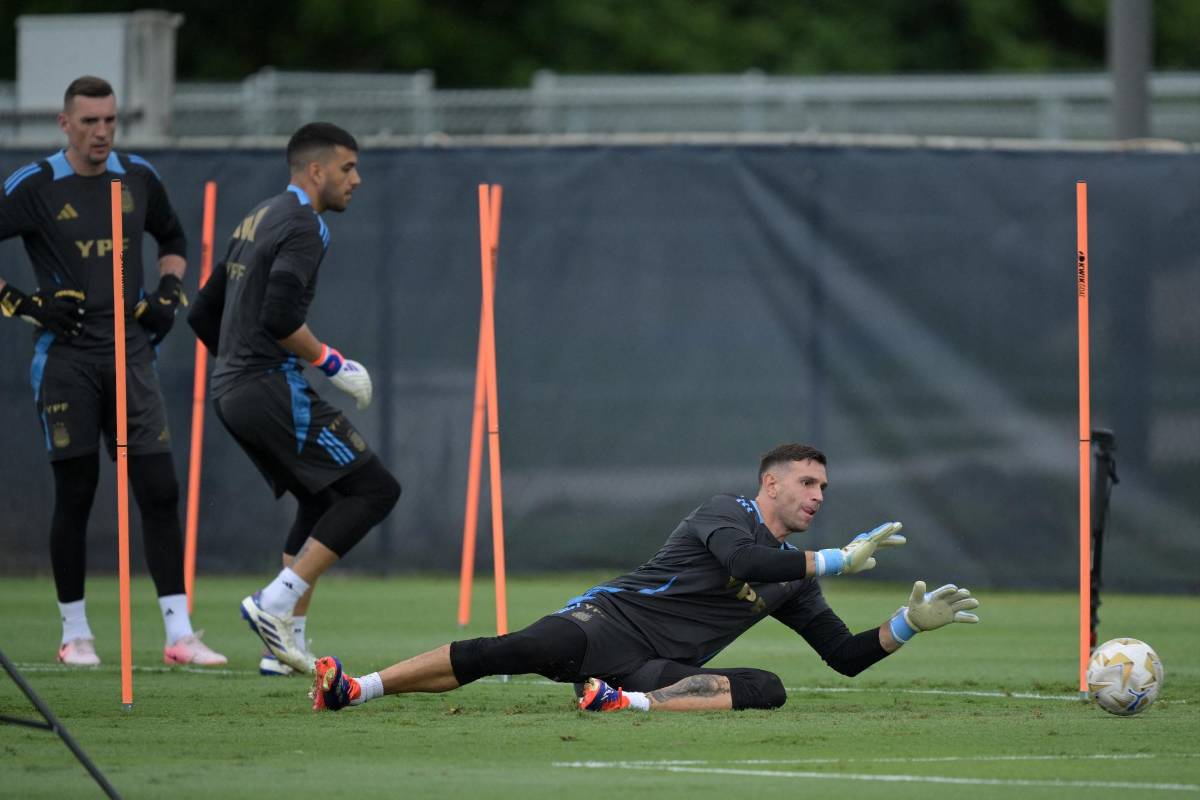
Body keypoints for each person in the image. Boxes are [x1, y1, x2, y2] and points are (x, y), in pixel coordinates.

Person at [310, 443, 980, 713]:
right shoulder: (725, 514)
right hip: (606, 626)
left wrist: (906, 627)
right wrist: (836, 558)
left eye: (825, 487)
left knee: (770, 689)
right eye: (807, 483)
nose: (818, 496)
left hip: (657, 670)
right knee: (515, 650)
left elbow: (844, 658)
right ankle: (355, 688)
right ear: (770, 484)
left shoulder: (796, 581)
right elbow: (747, 564)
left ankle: (623, 705)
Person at [0, 76, 225, 666]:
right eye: (90, 121)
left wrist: (170, 292)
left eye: (110, 120)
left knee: (159, 490)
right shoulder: (36, 185)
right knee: (76, 492)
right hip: (66, 359)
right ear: (64, 123)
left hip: (132, 356)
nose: (101, 132)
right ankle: (75, 633)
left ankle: (179, 633)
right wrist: (24, 304)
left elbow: (173, 238)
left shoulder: (138, 177)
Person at [187, 122, 401, 677]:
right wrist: (332, 362)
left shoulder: (258, 215)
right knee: (376, 489)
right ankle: (274, 605)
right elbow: (280, 317)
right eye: (347, 167)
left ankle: (283, 648)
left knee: (322, 497)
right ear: (316, 171)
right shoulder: (304, 224)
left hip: (232, 389)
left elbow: (201, 313)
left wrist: (238, 362)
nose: (357, 179)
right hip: (263, 384)